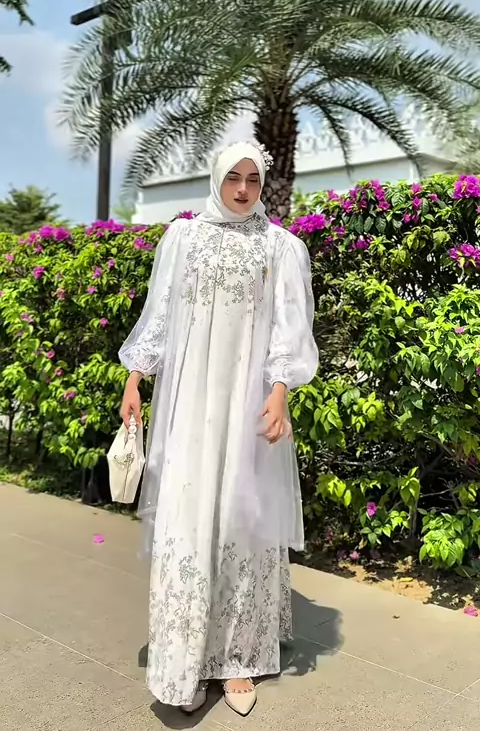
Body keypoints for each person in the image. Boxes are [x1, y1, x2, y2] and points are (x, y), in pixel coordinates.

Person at [119, 141, 318, 716]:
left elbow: (288, 330)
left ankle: (237, 658)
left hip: (248, 407)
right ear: (216, 178)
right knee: (189, 518)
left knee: (239, 519)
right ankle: (183, 661)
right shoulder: (183, 239)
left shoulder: (280, 247)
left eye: (253, 179)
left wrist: (279, 394)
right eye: (233, 177)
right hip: (190, 406)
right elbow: (159, 316)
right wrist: (135, 380)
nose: (243, 190)